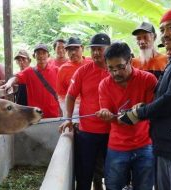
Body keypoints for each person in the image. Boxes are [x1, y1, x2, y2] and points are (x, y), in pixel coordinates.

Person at [119, 8, 171, 190]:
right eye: (162, 30)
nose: (165, 34)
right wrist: (146, 106)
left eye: (170, 28)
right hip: (166, 145)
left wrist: (138, 113)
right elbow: (164, 95)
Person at [96, 42, 157, 190]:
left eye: (120, 67)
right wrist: (106, 114)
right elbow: (113, 117)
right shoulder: (104, 85)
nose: (116, 73)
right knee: (113, 185)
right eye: (111, 69)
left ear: (130, 60)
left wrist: (143, 109)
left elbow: (154, 111)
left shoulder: (148, 79)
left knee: (144, 186)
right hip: (117, 145)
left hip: (145, 144)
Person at [59, 33, 111, 190]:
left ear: (109, 49)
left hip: (113, 132)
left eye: (100, 49)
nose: (96, 53)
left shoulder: (117, 69)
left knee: (112, 175)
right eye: (93, 49)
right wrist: (67, 118)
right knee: (83, 175)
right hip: (87, 132)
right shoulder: (83, 71)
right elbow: (70, 96)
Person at [0, 44, 60, 118]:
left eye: (44, 53)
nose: (41, 56)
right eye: (38, 53)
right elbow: (16, 77)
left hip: (53, 113)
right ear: (34, 56)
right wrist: (8, 84)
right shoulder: (29, 71)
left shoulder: (56, 70)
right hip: (35, 114)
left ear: (48, 55)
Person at [57, 37, 92, 118]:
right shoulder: (63, 69)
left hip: (92, 111)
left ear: (82, 48)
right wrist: (69, 115)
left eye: (76, 49)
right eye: (69, 50)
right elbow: (61, 95)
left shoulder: (92, 63)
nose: (72, 52)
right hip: (74, 113)